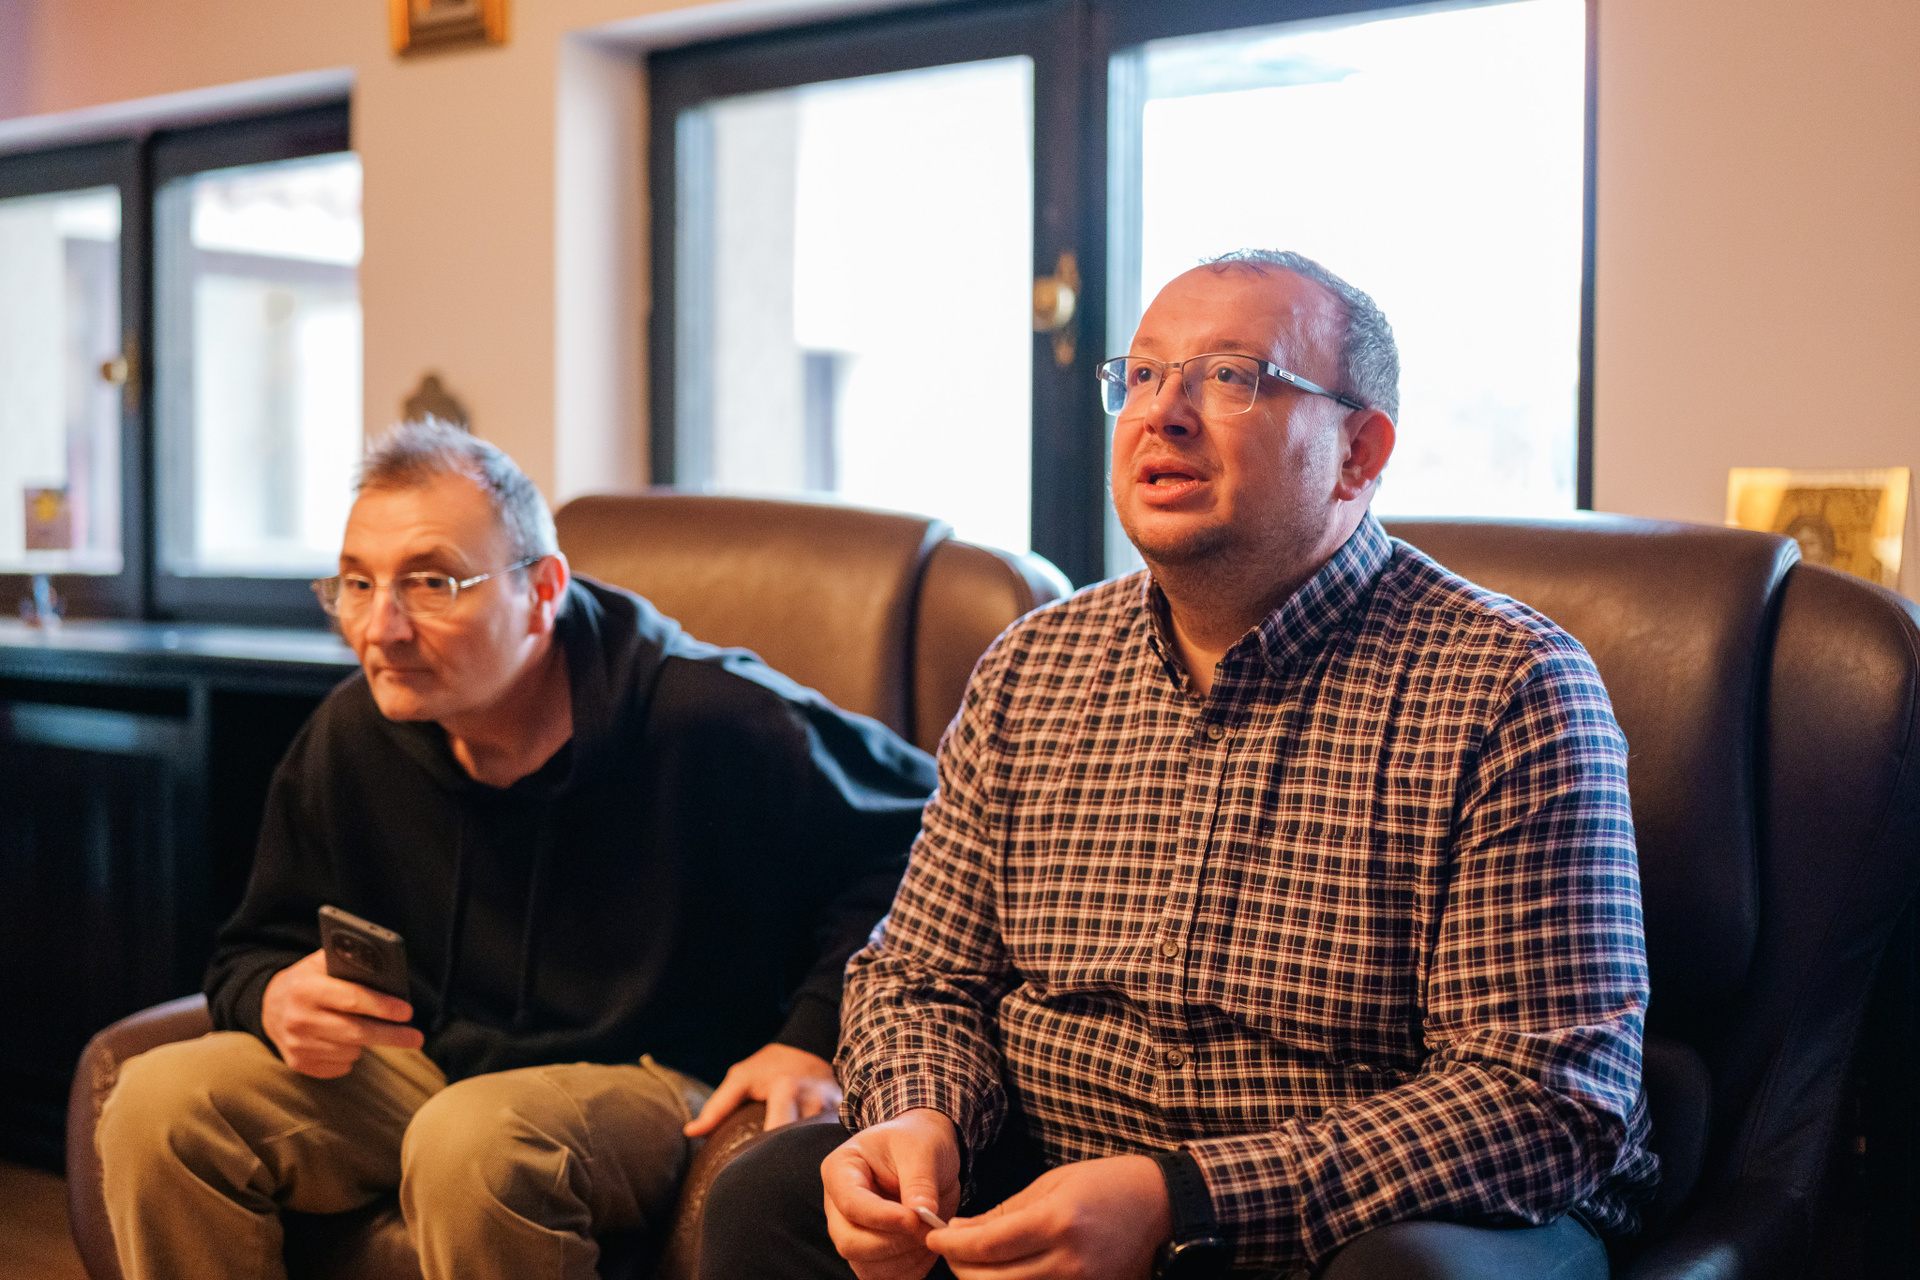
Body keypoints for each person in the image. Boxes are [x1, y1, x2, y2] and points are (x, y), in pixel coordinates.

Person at [700, 251, 1658, 1280]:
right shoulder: (1033, 665)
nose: (1163, 412)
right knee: (772, 1198)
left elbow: (1544, 1094)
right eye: (1144, 374)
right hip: (1051, 1176)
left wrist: (1182, 1199)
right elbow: (919, 975)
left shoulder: (1509, 686)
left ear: (1358, 451)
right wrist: (920, 1118)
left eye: (1231, 376)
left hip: (1342, 1228)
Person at [95, 419, 936, 1280]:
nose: (381, 628)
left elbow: (921, 839)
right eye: (356, 583)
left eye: (430, 582)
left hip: (658, 1074)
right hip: (424, 1063)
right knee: (158, 1106)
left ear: (542, 590)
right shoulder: (351, 733)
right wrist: (272, 995)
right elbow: (253, 945)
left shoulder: (711, 718)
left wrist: (811, 1033)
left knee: (476, 1143)